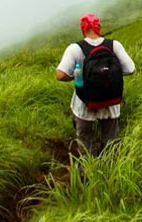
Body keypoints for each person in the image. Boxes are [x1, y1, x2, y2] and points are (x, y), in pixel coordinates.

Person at [55, 13, 135, 156]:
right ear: (99, 27)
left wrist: (78, 76)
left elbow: (60, 75)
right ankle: (111, 171)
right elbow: (130, 69)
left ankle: (86, 172)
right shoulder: (114, 45)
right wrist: (109, 74)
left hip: (85, 105)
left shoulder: (75, 48)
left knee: (85, 140)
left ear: (83, 29)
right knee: (111, 142)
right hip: (111, 103)